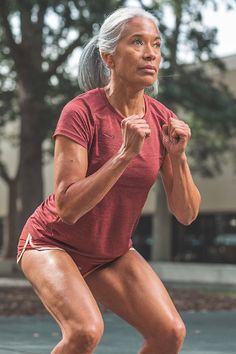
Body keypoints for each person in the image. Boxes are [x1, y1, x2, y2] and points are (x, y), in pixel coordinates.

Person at [17, 7, 201, 354]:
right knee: (84, 331)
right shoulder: (81, 112)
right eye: (137, 42)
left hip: (110, 252)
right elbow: (68, 207)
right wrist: (124, 155)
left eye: (156, 45)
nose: (151, 53)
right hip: (51, 243)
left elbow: (187, 214)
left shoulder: (163, 120)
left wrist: (177, 157)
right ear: (109, 57)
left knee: (169, 333)